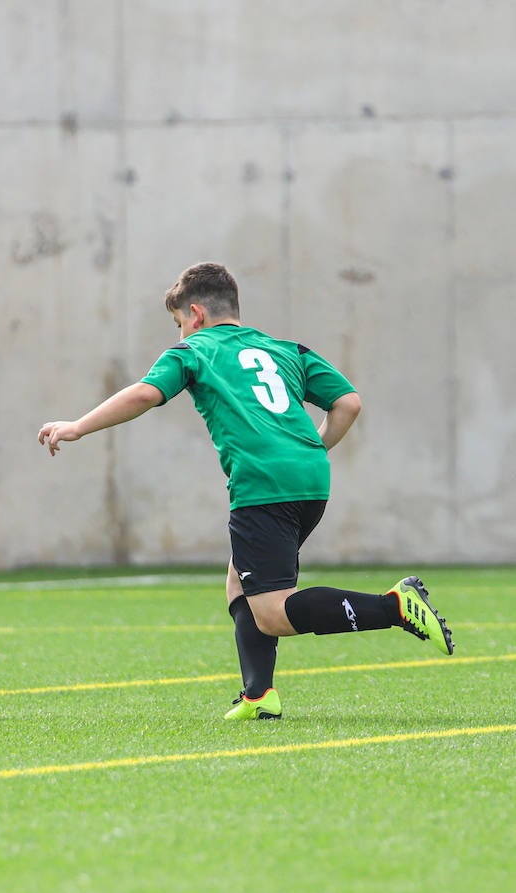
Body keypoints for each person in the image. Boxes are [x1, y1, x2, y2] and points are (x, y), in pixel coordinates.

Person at [37, 261, 453, 720]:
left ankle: (394, 606)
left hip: (263, 487)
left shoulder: (195, 350)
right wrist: (309, 450)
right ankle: (259, 695)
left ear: (195, 314)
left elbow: (144, 394)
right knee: (241, 579)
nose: (180, 335)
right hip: (311, 480)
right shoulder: (284, 349)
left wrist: (77, 426)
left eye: (179, 325)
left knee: (272, 611)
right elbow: (348, 403)